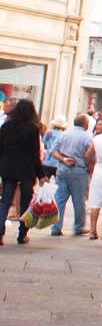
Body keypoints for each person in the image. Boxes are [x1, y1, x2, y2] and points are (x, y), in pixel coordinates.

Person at [0, 99, 43, 246]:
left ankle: (0, 233)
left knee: (5, 201)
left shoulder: (6, 127)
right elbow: (35, 155)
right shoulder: (32, 129)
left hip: (8, 169)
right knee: (25, 203)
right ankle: (22, 234)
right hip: (26, 171)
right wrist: (41, 174)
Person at [50, 114, 95, 236]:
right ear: (85, 124)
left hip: (63, 168)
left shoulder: (64, 134)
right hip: (79, 169)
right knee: (79, 200)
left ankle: (56, 227)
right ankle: (79, 226)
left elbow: (53, 151)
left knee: (60, 198)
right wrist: (89, 172)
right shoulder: (88, 138)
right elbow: (92, 157)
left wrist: (63, 159)